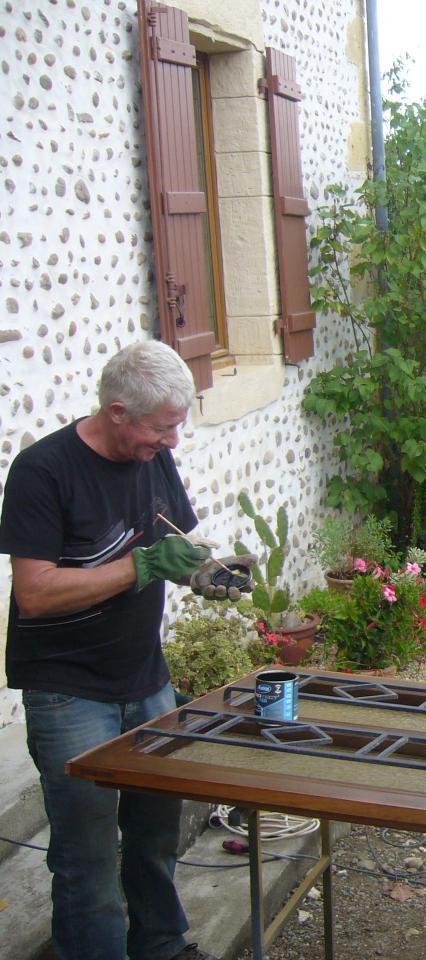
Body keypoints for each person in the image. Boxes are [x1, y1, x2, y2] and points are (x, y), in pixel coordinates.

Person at [1, 340, 215, 960]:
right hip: (69, 691)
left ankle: (161, 947)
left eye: (178, 424)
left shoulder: (151, 457)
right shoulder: (43, 472)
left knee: (152, 835)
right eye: (162, 427)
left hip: (145, 678)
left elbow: (174, 539)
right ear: (117, 412)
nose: (173, 440)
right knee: (87, 854)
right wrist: (143, 565)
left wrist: (205, 570)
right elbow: (36, 593)